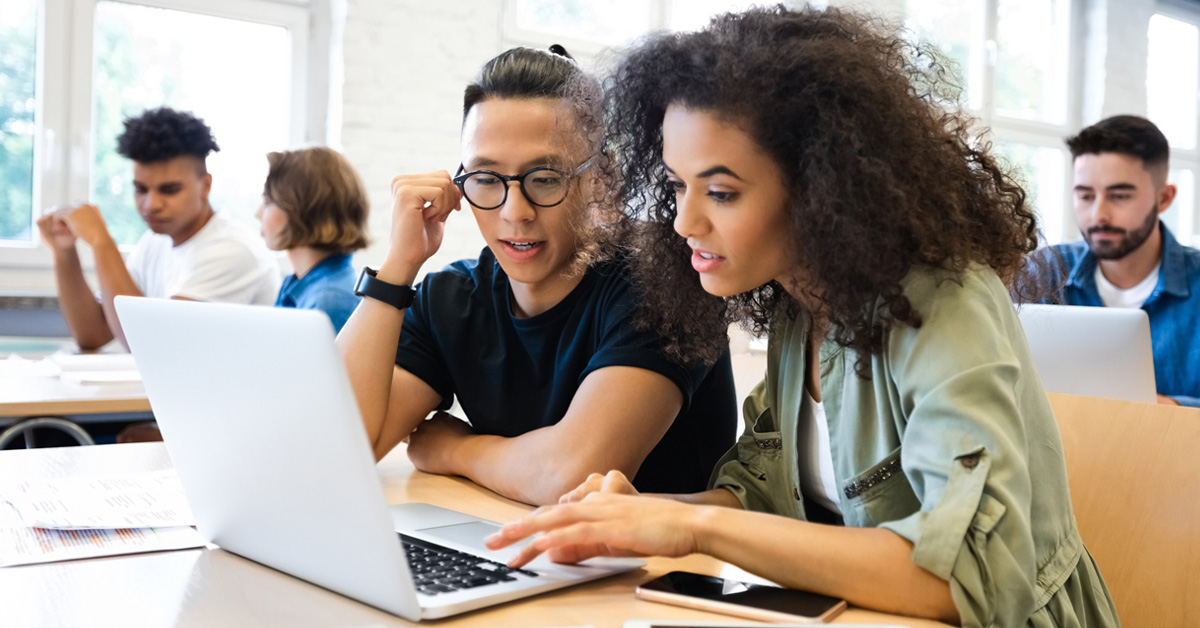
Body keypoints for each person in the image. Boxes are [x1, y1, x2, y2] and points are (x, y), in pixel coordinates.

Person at [485, 7, 1119, 627]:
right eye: (678, 185)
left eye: (722, 192)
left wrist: (691, 527)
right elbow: (760, 490)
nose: (683, 222)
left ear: (821, 187)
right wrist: (642, 515)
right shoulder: (799, 301)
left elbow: (974, 577)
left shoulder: (945, 300)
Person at [335, 46, 737, 506]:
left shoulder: (666, 284)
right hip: (512, 552)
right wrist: (398, 267)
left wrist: (455, 449)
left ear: (601, 178)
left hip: (657, 573)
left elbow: (570, 477)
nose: (515, 213)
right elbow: (337, 448)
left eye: (545, 178)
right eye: (486, 178)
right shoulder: (451, 299)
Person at [37, 107, 280, 350]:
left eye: (169, 190)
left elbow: (150, 345)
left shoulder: (231, 251)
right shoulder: (154, 242)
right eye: (141, 189)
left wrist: (101, 241)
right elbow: (95, 334)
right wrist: (64, 253)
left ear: (205, 186)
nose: (151, 205)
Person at [1030, 115, 1199, 407]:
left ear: (1165, 198)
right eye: (1085, 196)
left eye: (1119, 196)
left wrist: (1173, 409)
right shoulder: (1044, 273)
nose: (1098, 215)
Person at [255, 146, 370, 333]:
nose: (258, 213)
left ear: (302, 208)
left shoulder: (330, 301)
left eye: (268, 202)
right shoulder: (300, 284)